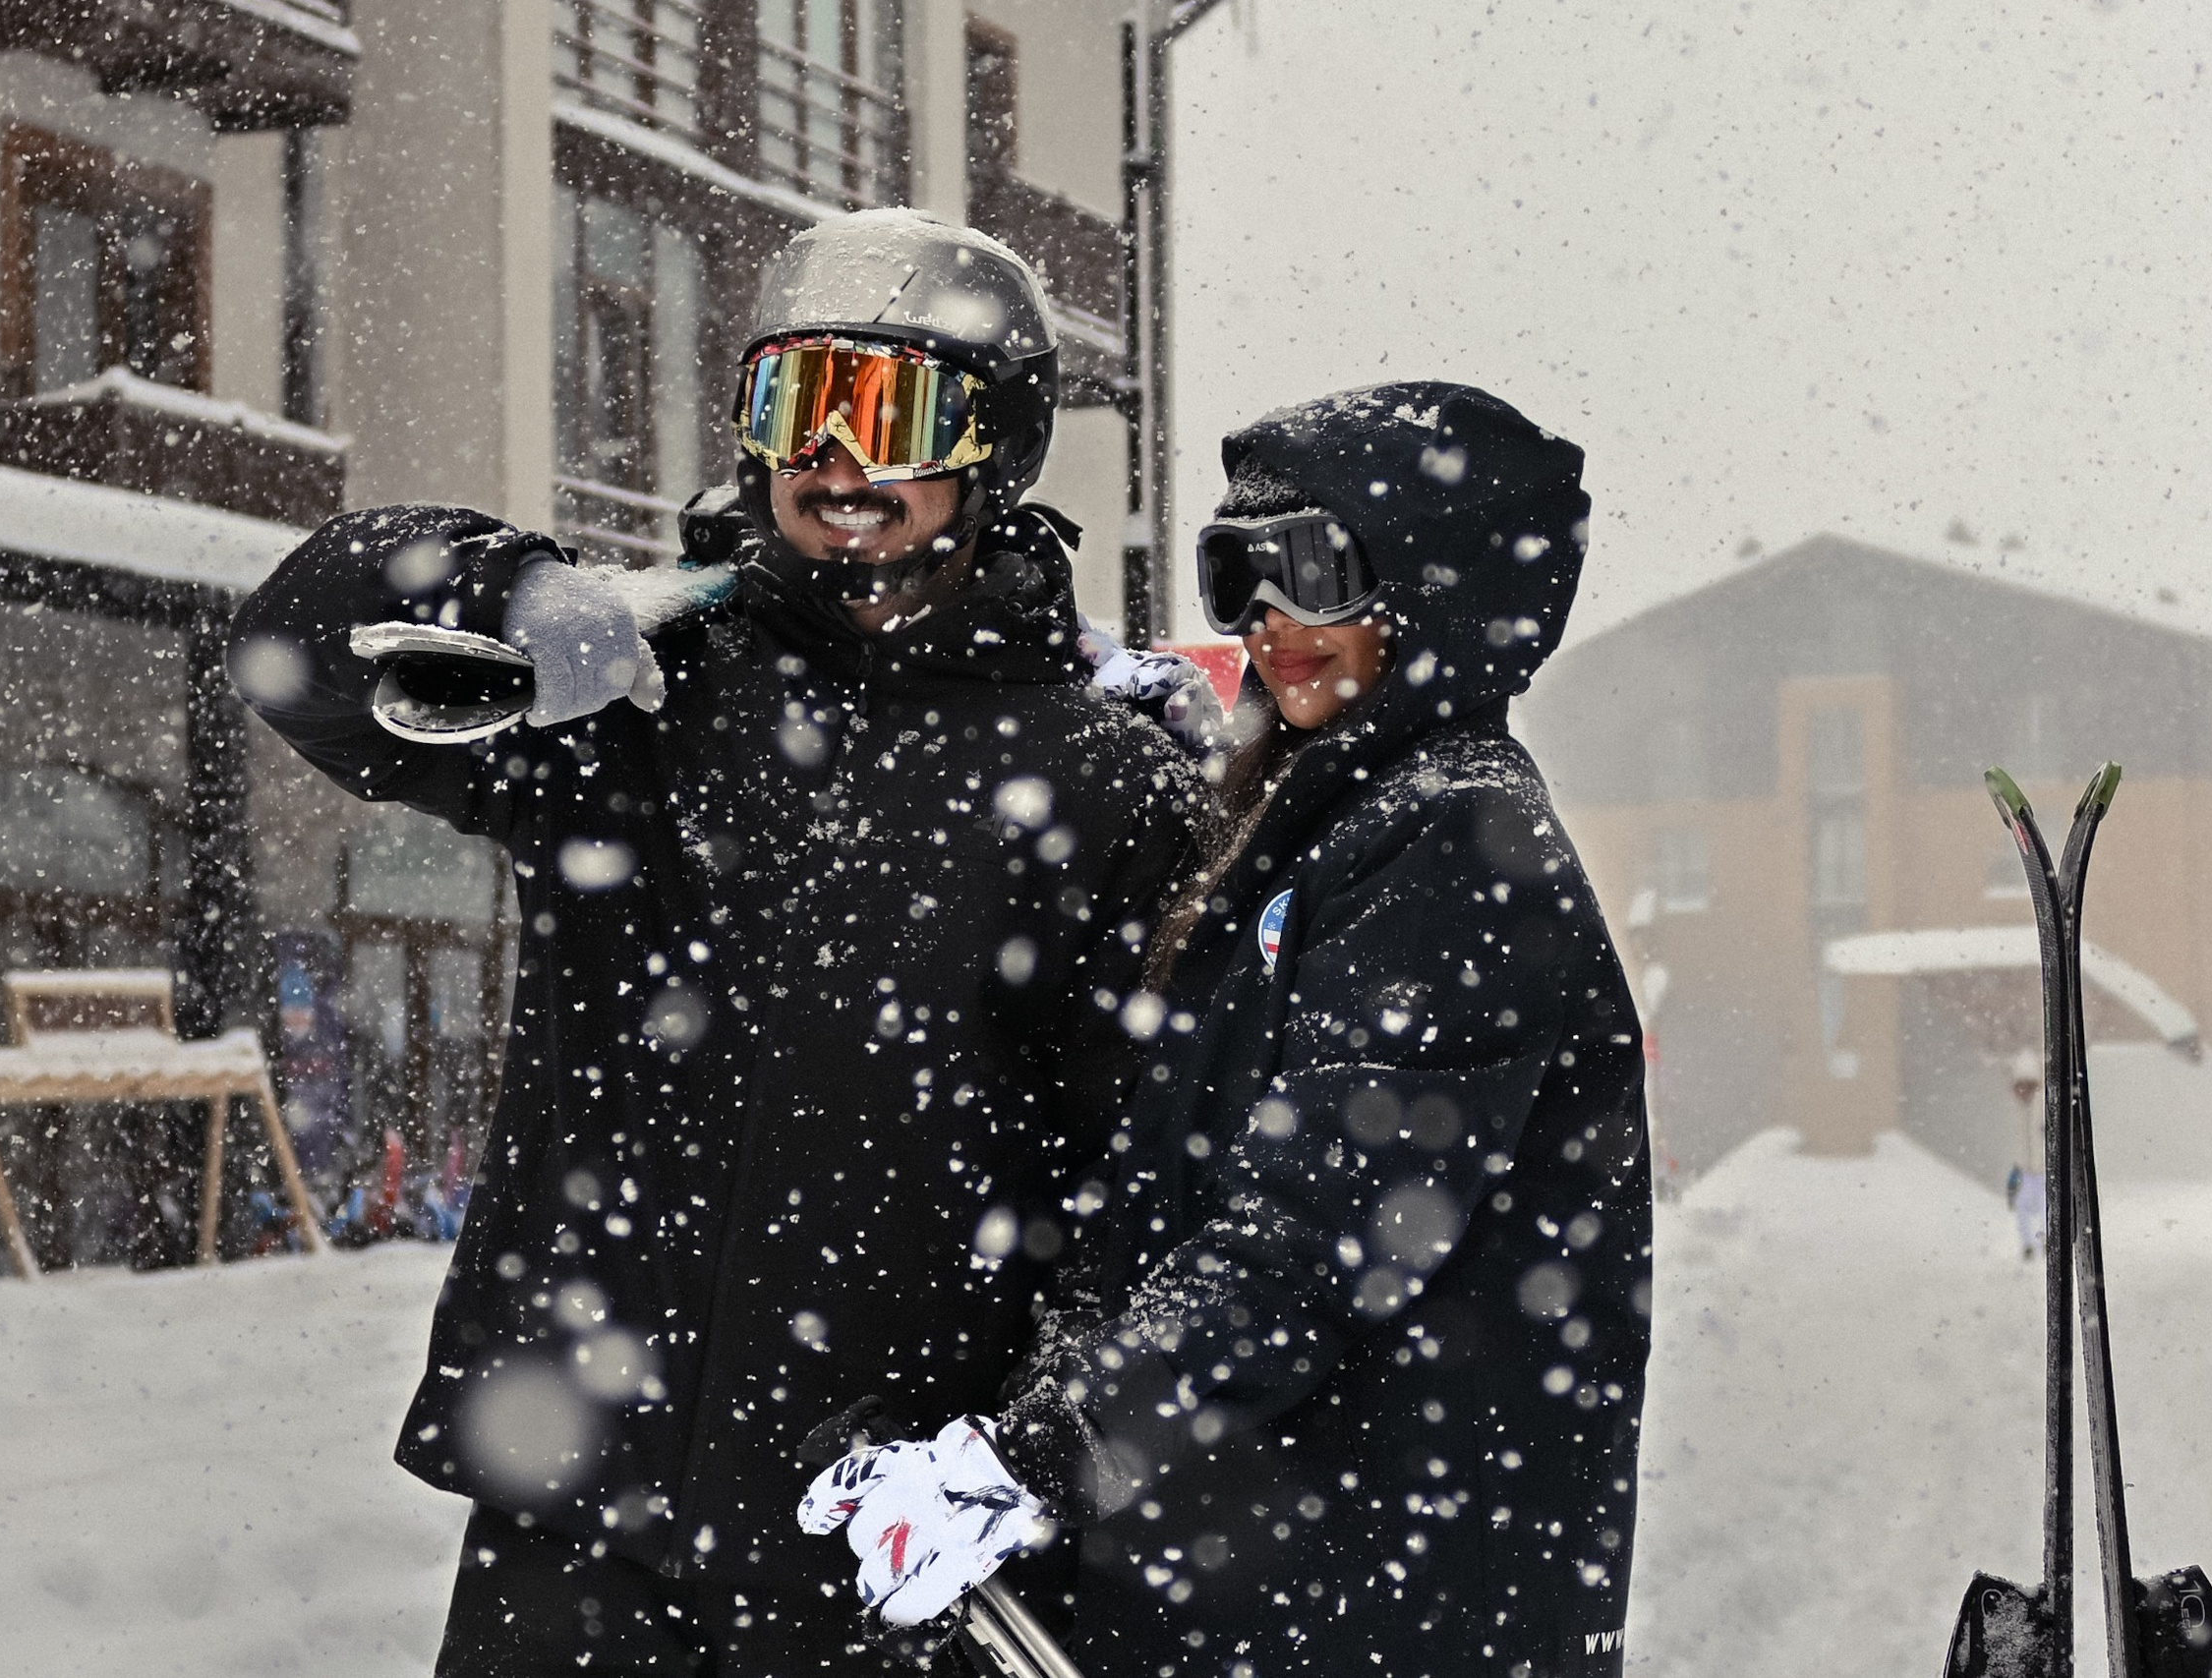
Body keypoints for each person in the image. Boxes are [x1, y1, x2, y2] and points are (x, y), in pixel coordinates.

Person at [229, 208, 1203, 1676]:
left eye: (887, 411)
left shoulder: (1100, 778)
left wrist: (1027, 1450)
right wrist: (505, 594)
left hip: (867, 1523)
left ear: (990, 448)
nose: (834, 457)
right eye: (792, 403)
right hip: (583, 1507)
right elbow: (296, 648)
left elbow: (1149, 1176)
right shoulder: (643, 699)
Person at [802, 383, 1653, 1677]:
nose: (1267, 619)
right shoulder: (1306, 841)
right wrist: (1008, 1419)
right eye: (1235, 573)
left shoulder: (1460, 844)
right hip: (1278, 1589)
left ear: (1441, 587)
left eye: (1312, 567)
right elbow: (1160, 1199)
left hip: (1386, 1605)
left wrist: (1031, 1464)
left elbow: (1309, 1245)